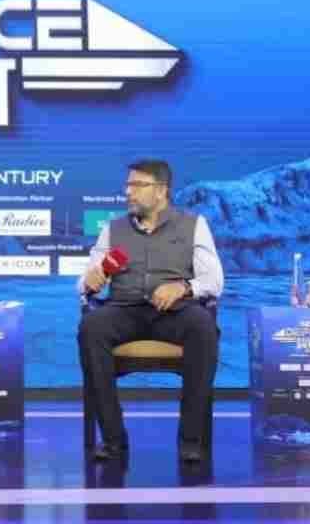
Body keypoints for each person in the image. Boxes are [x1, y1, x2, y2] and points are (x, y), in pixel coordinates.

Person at [77, 159, 224, 464]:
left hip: (175, 313)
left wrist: (183, 287)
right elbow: (86, 280)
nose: (128, 192)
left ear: (161, 190)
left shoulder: (193, 225)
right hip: (124, 309)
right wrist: (90, 281)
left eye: (137, 185)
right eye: (127, 185)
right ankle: (114, 439)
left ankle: (191, 439)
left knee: (203, 327)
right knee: (91, 328)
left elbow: (214, 281)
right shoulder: (113, 229)